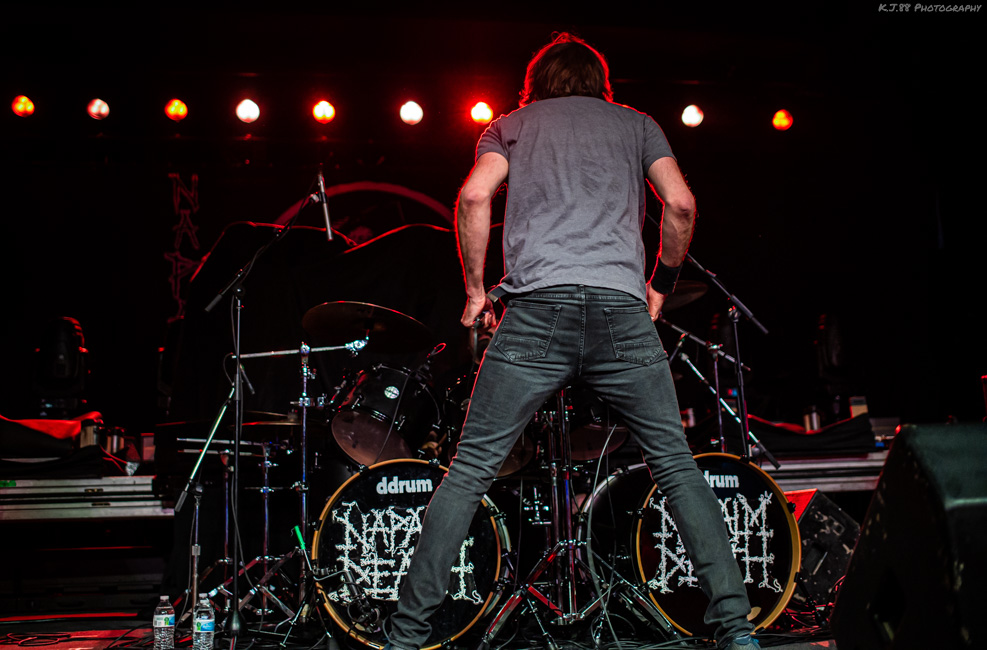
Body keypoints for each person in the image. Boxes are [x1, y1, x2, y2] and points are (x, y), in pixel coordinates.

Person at [385, 33, 759, 650]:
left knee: (470, 468)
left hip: (535, 312)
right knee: (675, 466)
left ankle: (405, 638)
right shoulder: (637, 125)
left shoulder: (510, 126)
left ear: (536, 84)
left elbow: (474, 195)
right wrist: (659, 285)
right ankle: (737, 630)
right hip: (620, 311)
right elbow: (682, 205)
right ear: (599, 84)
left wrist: (477, 294)